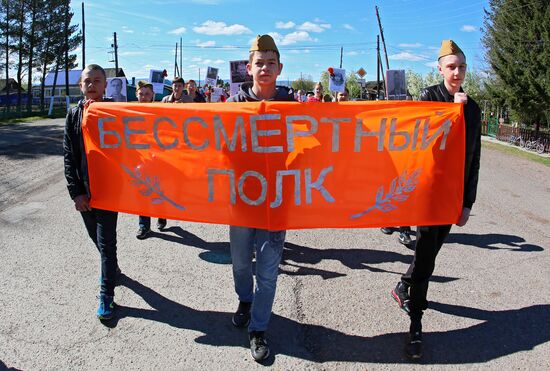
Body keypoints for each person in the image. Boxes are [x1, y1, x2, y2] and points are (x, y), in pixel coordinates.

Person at [390, 40, 481, 360]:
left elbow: (474, 157)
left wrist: (468, 201)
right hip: (429, 193)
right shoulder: (430, 97)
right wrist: (451, 110)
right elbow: (422, 140)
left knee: (430, 253)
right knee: (426, 258)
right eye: (451, 66)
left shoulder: (473, 107)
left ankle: (403, 284)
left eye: (462, 67)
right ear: (440, 69)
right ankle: (416, 324)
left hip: (453, 196)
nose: (457, 72)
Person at [226, 34, 294, 362]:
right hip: (241, 199)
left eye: (270, 63)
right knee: (240, 263)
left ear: (279, 68)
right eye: (258, 63)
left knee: (267, 270)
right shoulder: (233, 105)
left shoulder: (293, 105)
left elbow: (318, 142)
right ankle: (245, 299)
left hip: (276, 201)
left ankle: (258, 328)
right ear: (248, 68)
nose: (264, 68)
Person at [63, 64, 120, 321]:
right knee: (95, 238)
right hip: (85, 192)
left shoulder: (116, 113)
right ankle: (113, 268)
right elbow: (69, 156)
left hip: (109, 190)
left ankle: (106, 294)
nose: (92, 85)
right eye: (88, 81)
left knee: (107, 243)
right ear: (81, 85)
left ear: (105, 85)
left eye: (98, 81)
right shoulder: (73, 115)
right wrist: (76, 193)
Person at [135, 80, 168, 239]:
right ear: (136, 95)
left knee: (159, 191)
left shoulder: (158, 112)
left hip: (157, 159)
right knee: (142, 193)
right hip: (139, 161)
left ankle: (162, 216)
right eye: (141, 94)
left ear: (153, 96)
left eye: (147, 94)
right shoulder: (129, 111)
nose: (144, 97)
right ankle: (144, 226)